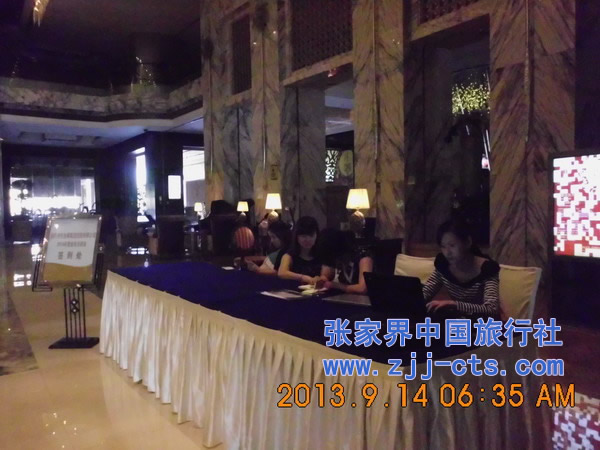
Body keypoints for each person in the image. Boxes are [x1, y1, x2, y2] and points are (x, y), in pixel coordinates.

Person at [423, 218, 500, 318]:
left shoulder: (487, 269)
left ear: (468, 242)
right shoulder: (444, 264)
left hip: (483, 323)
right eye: (443, 247)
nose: (447, 252)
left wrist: (454, 304)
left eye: (452, 245)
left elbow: (491, 309)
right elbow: (425, 293)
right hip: (458, 321)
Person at [317, 230, 373, 294]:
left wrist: (335, 285)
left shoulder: (364, 257)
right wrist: (323, 279)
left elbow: (363, 288)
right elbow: (327, 273)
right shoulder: (338, 259)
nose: (336, 264)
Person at [278, 216, 327, 284]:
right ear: (297, 237)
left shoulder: (321, 254)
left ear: (317, 235)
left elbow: (325, 276)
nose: (308, 239)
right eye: (303, 236)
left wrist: (320, 279)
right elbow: (282, 273)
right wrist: (303, 277)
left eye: (311, 235)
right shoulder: (289, 256)